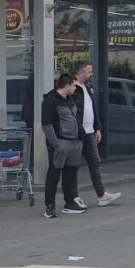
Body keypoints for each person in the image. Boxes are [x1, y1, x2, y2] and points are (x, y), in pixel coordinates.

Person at [71, 61, 122, 208]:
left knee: (94, 162)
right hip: (78, 133)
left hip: (89, 132)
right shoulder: (73, 89)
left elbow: (92, 108)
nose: (91, 75)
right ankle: (73, 197)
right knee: (73, 165)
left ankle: (101, 195)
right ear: (81, 73)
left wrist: (97, 128)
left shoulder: (87, 88)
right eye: (89, 72)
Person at [42, 74, 86, 218]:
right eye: (74, 85)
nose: (75, 88)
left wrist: (80, 138)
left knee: (71, 174)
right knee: (54, 174)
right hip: (61, 143)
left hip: (74, 142)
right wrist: (56, 144)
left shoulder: (70, 100)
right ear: (67, 86)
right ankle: (50, 205)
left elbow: (75, 118)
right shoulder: (50, 101)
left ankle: (70, 202)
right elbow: (47, 125)